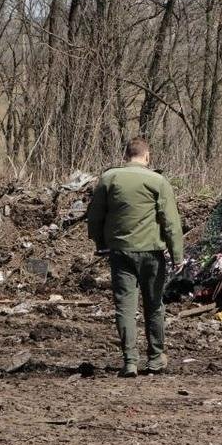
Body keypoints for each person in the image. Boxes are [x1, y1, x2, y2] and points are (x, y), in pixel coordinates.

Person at [87, 137, 184, 377]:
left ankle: (129, 361)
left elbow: (95, 216)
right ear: (147, 156)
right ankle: (155, 358)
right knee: (154, 306)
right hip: (152, 252)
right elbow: (171, 222)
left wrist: (101, 244)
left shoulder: (109, 178)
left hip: (121, 252)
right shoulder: (158, 181)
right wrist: (177, 254)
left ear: (126, 155)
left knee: (125, 308)